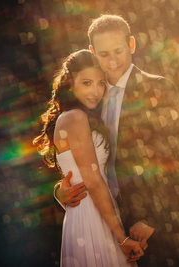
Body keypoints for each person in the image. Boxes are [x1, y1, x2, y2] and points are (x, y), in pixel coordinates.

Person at [54, 15, 179, 266]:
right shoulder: (89, 100)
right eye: (104, 54)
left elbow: (177, 159)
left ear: (131, 45)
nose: (112, 61)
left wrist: (152, 218)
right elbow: (76, 161)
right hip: (107, 226)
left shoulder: (157, 89)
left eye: (119, 51)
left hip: (155, 226)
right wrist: (60, 192)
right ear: (92, 52)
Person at [33, 49, 144, 266]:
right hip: (91, 216)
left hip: (101, 211)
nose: (96, 91)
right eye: (87, 83)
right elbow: (92, 181)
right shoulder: (75, 117)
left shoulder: (84, 116)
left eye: (101, 83)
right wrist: (122, 239)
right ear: (70, 83)